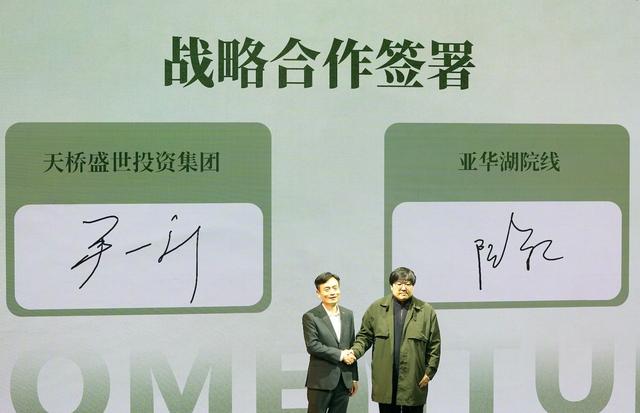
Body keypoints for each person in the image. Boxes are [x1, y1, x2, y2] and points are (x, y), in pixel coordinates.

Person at [349, 267, 441, 413]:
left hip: (414, 379)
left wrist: (430, 372)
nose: (404, 288)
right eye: (399, 284)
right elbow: (364, 337)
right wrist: (354, 352)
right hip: (385, 378)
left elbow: (434, 345)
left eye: (408, 284)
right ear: (391, 286)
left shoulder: (426, 311)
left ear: (413, 286)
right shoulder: (376, 309)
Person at [302, 272, 359, 413]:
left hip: (344, 381)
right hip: (320, 381)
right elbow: (313, 346)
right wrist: (340, 355)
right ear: (318, 293)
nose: (332, 292)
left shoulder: (348, 314)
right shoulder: (311, 316)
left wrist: (353, 378)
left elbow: (351, 345)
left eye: (335, 288)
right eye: (327, 289)